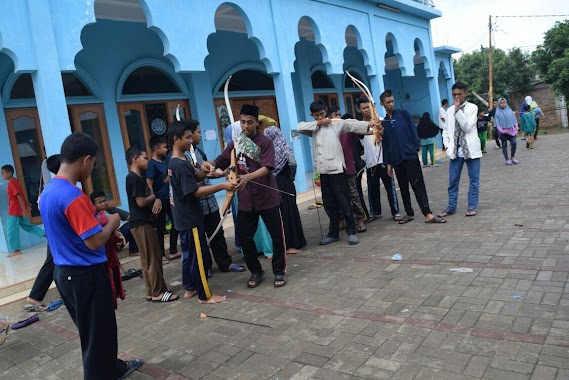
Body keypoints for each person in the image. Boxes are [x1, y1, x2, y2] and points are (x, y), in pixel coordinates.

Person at [39, 132, 142, 380]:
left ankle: (113, 368)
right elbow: (94, 241)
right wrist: (113, 222)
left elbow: (73, 233)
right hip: (85, 275)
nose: (92, 169)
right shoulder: (73, 196)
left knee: (96, 331)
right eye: (94, 163)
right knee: (97, 335)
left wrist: (105, 232)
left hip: (65, 274)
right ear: (85, 160)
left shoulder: (49, 192)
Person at [205, 104, 287, 288]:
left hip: (267, 196)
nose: (246, 126)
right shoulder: (237, 142)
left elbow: (267, 168)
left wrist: (247, 177)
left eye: (250, 122)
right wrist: (208, 166)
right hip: (246, 200)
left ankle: (279, 271)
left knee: (276, 237)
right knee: (244, 237)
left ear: (257, 123)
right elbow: (220, 161)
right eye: (242, 122)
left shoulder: (265, 142)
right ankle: (256, 271)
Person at [168, 120, 235, 303]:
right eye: (187, 137)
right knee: (198, 256)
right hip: (190, 218)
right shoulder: (179, 164)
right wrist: (223, 185)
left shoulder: (178, 160)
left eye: (192, 136)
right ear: (176, 139)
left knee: (189, 255)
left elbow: (195, 176)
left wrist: (206, 172)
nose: (191, 140)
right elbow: (195, 191)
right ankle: (205, 295)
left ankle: (190, 288)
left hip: (183, 217)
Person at [298, 100, 379, 245]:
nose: (320, 118)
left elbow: (351, 124)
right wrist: (318, 123)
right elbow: (299, 127)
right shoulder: (314, 127)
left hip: (337, 171)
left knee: (344, 202)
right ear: (312, 115)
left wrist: (370, 125)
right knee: (329, 204)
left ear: (326, 111)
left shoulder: (335, 123)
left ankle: (351, 232)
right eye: (316, 115)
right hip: (323, 172)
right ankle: (333, 233)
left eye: (322, 114)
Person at [185, 120, 246, 273]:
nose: (200, 134)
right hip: (196, 204)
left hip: (210, 202)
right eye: (198, 132)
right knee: (200, 238)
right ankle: (205, 267)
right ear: (189, 135)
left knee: (217, 233)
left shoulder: (199, 152)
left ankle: (225, 263)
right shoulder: (182, 157)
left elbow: (206, 174)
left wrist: (223, 173)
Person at [379, 91, 445, 224]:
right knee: (403, 186)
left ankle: (427, 213)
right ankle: (409, 213)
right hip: (397, 159)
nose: (391, 104)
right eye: (388, 102)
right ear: (382, 104)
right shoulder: (384, 122)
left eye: (392, 101)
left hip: (410, 156)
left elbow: (413, 132)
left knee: (418, 184)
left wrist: (414, 149)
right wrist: (389, 163)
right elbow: (386, 144)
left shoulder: (403, 114)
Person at [125, 146, 178, 302]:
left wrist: (155, 199)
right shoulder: (133, 178)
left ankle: (152, 291)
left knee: (148, 258)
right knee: (153, 258)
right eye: (144, 158)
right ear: (135, 159)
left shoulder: (137, 177)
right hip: (141, 224)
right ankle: (158, 293)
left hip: (144, 222)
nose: (147, 161)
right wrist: (154, 197)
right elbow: (141, 202)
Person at [440, 82, 481, 217]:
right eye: (454, 94)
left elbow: (467, 127)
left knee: (474, 180)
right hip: (456, 152)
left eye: (459, 94)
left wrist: (458, 111)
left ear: (465, 94)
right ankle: (451, 207)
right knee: (453, 181)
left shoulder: (472, 108)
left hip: (471, 151)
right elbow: (445, 131)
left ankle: (472, 206)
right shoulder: (449, 110)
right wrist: (447, 145)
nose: (457, 97)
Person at [264, 125, 307, 254]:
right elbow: (293, 163)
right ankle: (292, 244)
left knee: (281, 214)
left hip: (274, 184)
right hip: (286, 183)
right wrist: (291, 177)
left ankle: (285, 244)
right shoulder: (284, 148)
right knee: (290, 212)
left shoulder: (268, 151)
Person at [25, 155, 60, 311]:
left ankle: (35, 296)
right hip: (56, 231)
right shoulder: (55, 186)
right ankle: (34, 297)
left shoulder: (51, 186)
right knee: (52, 261)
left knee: (54, 261)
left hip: (53, 229)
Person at [357, 100, 402, 222]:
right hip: (370, 162)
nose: (366, 109)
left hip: (383, 159)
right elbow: (360, 143)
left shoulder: (381, 121)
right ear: (359, 110)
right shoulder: (360, 126)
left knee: (389, 187)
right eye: (363, 108)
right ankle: (375, 212)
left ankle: (395, 211)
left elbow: (388, 140)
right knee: (372, 188)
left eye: (368, 107)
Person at [334, 106, 367, 233]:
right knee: (339, 196)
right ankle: (342, 220)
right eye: (335, 115)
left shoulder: (346, 129)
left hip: (349, 168)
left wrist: (369, 123)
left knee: (354, 195)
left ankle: (360, 220)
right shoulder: (328, 131)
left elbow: (359, 131)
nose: (337, 117)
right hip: (335, 170)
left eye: (339, 114)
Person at [146, 136, 180, 262]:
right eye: (164, 147)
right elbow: (149, 183)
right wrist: (154, 198)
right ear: (156, 149)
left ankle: (173, 250)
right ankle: (160, 254)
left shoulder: (164, 162)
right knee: (160, 228)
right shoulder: (152, 165)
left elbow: (165, 180)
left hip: (168, 198)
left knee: (176, 223)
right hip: (159, 200)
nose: (167, 149)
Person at [91, 191, 126, 309]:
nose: (103, 204)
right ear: (93, 205)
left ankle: (116, 291)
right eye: (100, 202)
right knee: (107, 274)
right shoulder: (93, 216)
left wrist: (115, 231)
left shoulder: (108, 212)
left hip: (110, 248)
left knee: (113, 269)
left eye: (104, 200)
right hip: (101, 250)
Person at [1, 164, 45, 257]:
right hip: (19, 209)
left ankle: (16, 250)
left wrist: (24, 209)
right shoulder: (15, 181)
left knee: (11, 230)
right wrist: (25, 204)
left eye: (3, 173)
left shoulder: (12, 183)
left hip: (14, 210)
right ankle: (47, 235)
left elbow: (19, 195)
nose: (2, 175)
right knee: (27, 226)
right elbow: (20, 194)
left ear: (9, 173)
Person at [494, 98, 519, 165]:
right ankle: (507, 159)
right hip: (503, 132)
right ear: (499, 104)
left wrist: (516, 127)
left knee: (514, 143)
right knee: (504, 145)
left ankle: (512, 157)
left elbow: (514, 120)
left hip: (511, 131)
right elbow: (497, 124)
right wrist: (501, 131)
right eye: (501, 103)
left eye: (504, 103)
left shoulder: (510, 111)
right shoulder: (497, 113)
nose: (503, 104)